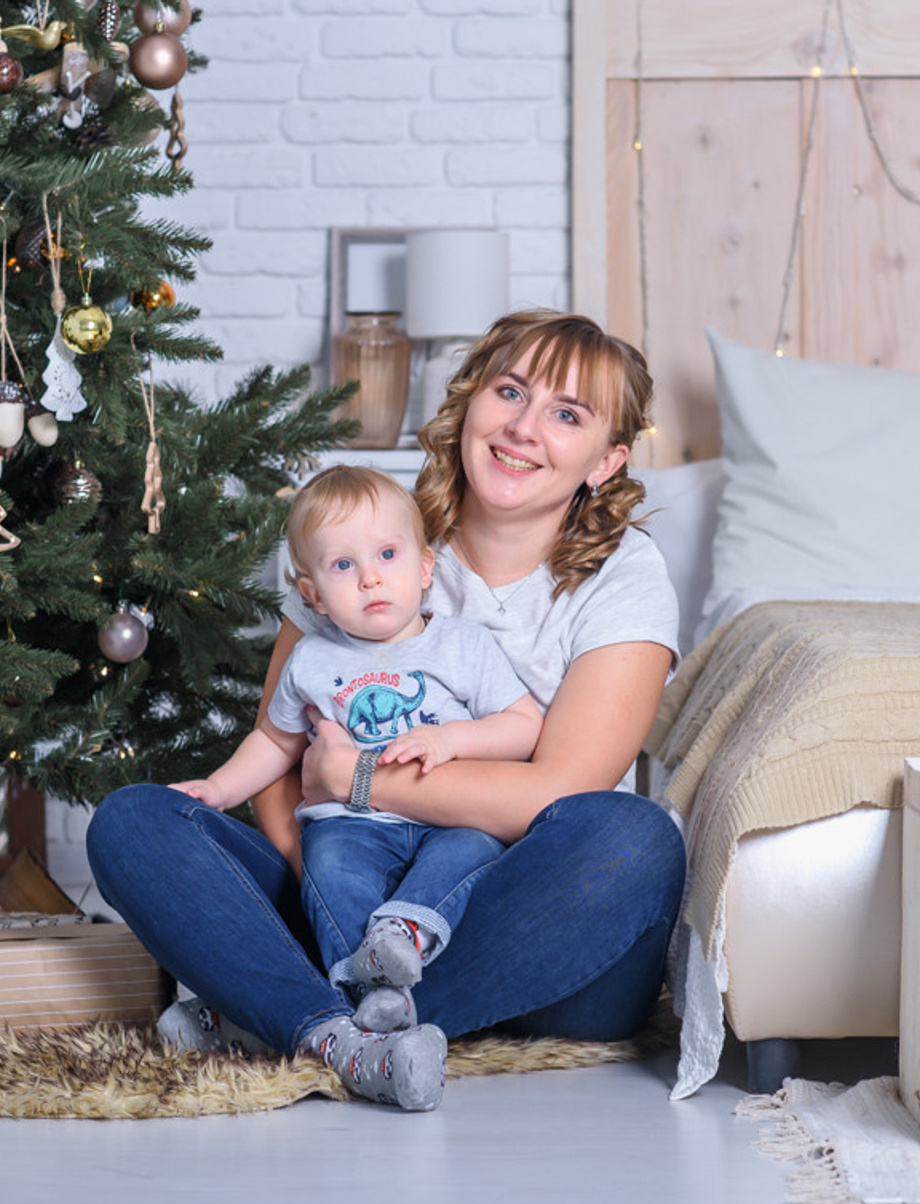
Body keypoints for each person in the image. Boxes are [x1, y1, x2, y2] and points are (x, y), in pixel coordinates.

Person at [86, 309, 687, 1114]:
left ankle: (288, 1013)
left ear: (606, 461)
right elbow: (279, 749)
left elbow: (561, 787)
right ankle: (345, 1029)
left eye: (567, 414)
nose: (523, 428)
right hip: (345, 884)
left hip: (525, 926)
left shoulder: (626, 575)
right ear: (472, 401)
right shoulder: (367, 535)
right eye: (510, 392)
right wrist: (330, 895)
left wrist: (357, 778)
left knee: (634, 838)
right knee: (134, 821)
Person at [168, 464, 544, 1054]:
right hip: (351, 824)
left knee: (473, 850)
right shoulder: (312, 660)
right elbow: (275, 742)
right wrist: (218, 789)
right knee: (331, 866)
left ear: (425, 568)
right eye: (344, 565)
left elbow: (523, 726)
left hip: (448, 819)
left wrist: (451, 741)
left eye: (388, 555)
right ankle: (370, 991)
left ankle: (399, 934)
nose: (371, 578)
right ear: (313, 594)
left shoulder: (462, 645)